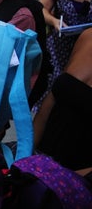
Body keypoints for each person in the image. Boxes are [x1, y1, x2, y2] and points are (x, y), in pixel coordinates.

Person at [37, 0, 92, 104]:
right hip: (60, 47)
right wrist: (54, 22)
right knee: (53, 93)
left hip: (87, 48)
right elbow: (42, 9)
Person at [34, 28, 92, 174]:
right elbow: (53, 98)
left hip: (76, 184)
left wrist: (66, 179)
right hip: (40, 164)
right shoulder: (87, 36)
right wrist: (25, 153)